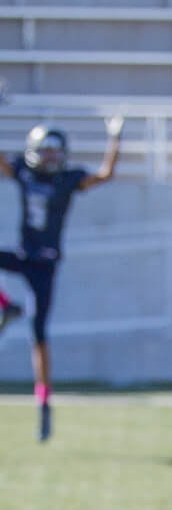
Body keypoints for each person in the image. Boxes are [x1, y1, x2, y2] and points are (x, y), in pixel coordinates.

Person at [0, 117, 122, 443]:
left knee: (38, 334)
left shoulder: (68, 179)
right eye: (47, 151)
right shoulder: (24, 172)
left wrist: (114, 139)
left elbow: (105, 174)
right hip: (24, 255)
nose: (52, 157)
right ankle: (6, 306)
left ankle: (43, 403)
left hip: (45, 264)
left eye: (56, 152)